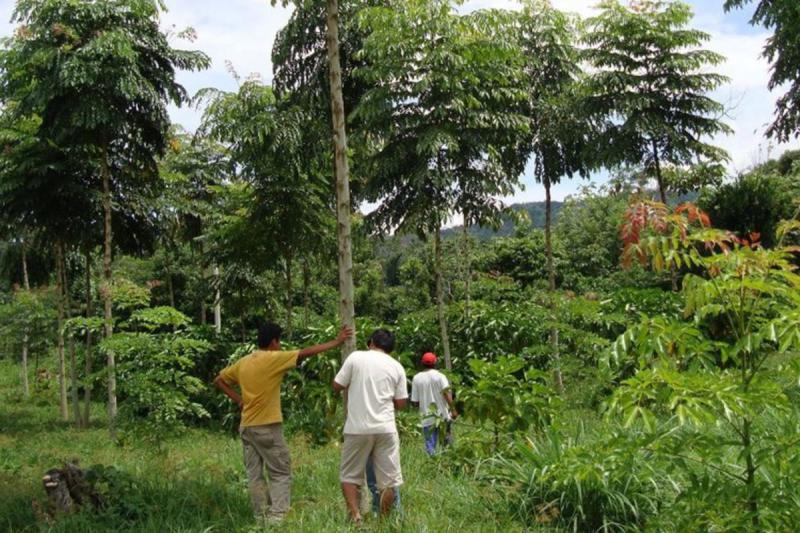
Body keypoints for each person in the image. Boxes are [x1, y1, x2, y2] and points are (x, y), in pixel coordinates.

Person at [214, 322, 352, 524]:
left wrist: (239, 401)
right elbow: (305, 353)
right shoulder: (273, 358)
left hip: (247, 427)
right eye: (279, 342)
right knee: (280, 472)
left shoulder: (244, 362)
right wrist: (336, 342)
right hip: (267, 426)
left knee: (254, 475)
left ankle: (260, 516)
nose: (280, 346)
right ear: (273, 341)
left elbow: (219, 380)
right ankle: (277, 518)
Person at [333, 329, 407, 523]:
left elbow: (336, 385)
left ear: (371, 342)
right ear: (390, 348)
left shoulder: (355, 357)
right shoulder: (396, 366)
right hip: (385, 428)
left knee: (349, 475)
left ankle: (356, 516)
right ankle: (383, 521)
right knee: (389, 481)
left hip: (357, 428)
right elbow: (401, 403)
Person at [410, 352, 458, 456]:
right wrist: (453, 410)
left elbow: (415, 402)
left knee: (430, 446)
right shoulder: (440, 376)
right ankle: (447, 467)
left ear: (422, 363)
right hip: (443, 416)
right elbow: (446, 393)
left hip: (427, 417)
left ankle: (433, 467)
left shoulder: (417, 378)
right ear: (435, 362)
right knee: (447, 445)